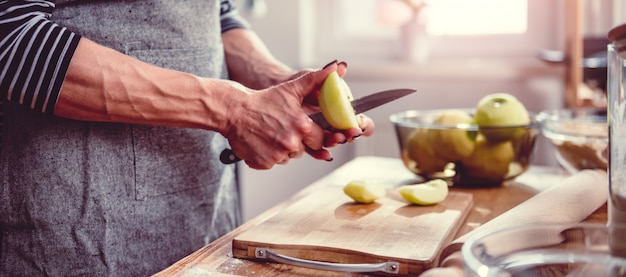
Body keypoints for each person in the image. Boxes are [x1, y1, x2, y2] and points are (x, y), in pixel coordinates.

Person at [0, 1, 375, 276]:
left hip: (205, 211)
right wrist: (232, 109)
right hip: (73, 230)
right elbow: (11, 36)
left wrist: (276, 82)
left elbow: (216, 12)